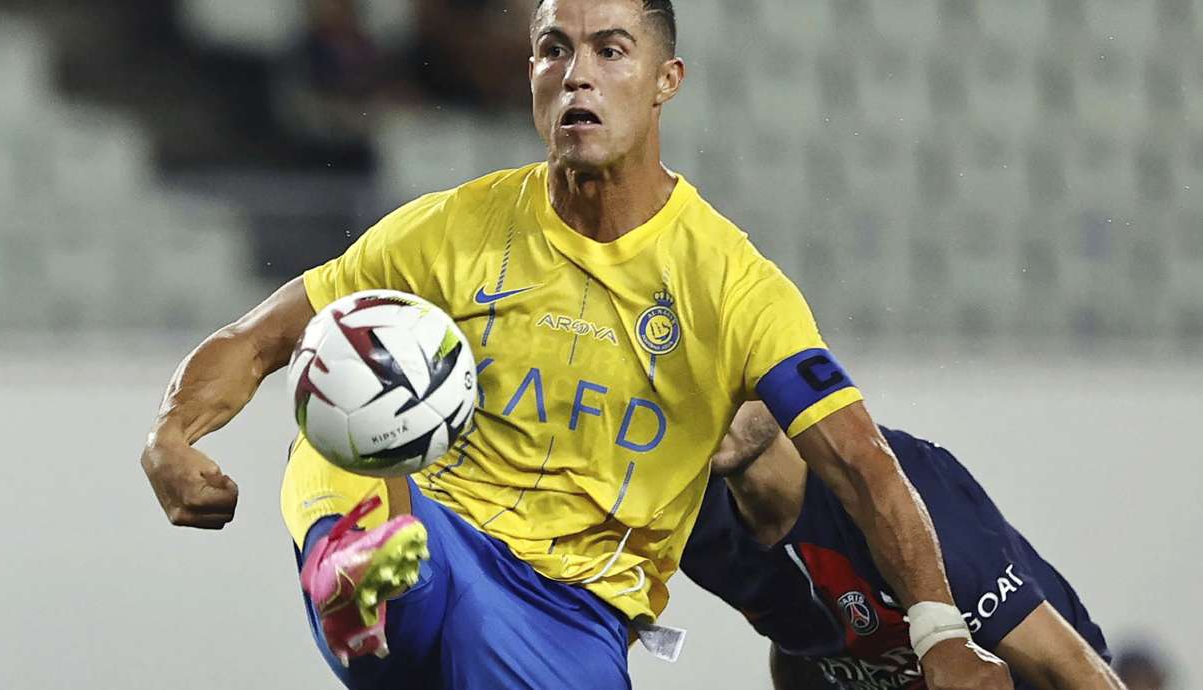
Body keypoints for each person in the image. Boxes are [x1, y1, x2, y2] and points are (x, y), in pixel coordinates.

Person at [139, 1, 1010, 687]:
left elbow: (859, 460)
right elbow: (261, 338)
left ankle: (374, 586)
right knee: (353, 414)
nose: (577, 75)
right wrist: (170, 436)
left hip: (572, 605)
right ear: (530, 74)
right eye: (555, 48)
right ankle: (363, 579)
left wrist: (939, 630)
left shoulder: (732, 285)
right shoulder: (455, 229)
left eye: (610, 50)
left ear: (666, 79)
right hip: (437, 524)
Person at [682, 402, 1126, 690]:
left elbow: (1069, 669)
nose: (712, 395)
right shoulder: (696, 528)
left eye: (731, 370)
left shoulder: (899, 499)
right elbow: (805, 642)